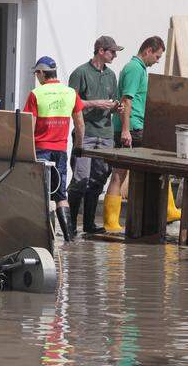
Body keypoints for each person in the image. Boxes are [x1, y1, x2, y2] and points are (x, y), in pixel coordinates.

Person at [103, 36, 181, 232]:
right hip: (132, 128)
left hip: (136, 126)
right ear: (147, 50)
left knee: (151, 167)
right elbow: (126, 100)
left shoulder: (139, 69)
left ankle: (169, 209)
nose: (157, 60)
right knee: (120, 173)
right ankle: (111, 222)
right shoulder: (135, 69)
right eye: (156, 56)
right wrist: (126, 130)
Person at [67, 35, 124, 235]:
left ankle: (89, 225)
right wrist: (95, 103)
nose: (115, 55)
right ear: (101, 51)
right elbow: (70, 103)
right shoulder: (80, 73)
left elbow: (113, 101)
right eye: (112, 52)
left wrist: (117, 107)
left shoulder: (111, 76)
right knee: (81, 179)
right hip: (87, 134)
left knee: (98, 180)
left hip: (106, 134)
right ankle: (71, 224)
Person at [24, 56, 85, 242]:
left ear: (42, 73)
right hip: (60, 150)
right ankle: (68, 239)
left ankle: (41, 239)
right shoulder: (70, 93)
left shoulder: (36, 94)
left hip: (41, 150)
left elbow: (29, 126)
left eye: (36, 73)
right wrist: (78, 146)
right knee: (60, 195)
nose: (36, 77)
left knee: (39, 194)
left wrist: (24, 151)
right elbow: (80, 124)